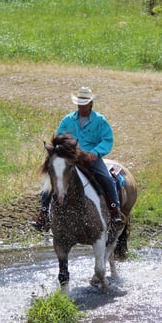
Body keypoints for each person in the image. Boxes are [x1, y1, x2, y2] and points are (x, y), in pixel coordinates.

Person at [33, 86, 124, 232]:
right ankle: (43, 214)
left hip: (91, 158)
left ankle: (115, 211)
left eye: (84, 103)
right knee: (50, 180)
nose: (82, 107)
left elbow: (107, 140)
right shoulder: (68, 120)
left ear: (90, 104)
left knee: (106, 178)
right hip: (70, 158)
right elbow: (59, 138)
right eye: (80, 104)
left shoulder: (100, 121)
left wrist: (95, 152)